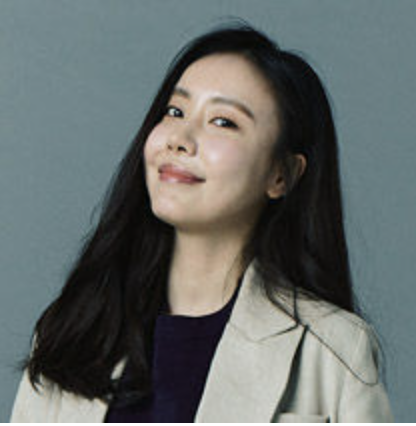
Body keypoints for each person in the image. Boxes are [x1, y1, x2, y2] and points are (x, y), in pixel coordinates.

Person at [10, 21, 393, 422]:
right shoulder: (71, 331)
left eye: (223, 121)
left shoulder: (334, 349)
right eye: (175, 111)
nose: (180, 139)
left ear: (281, 175)